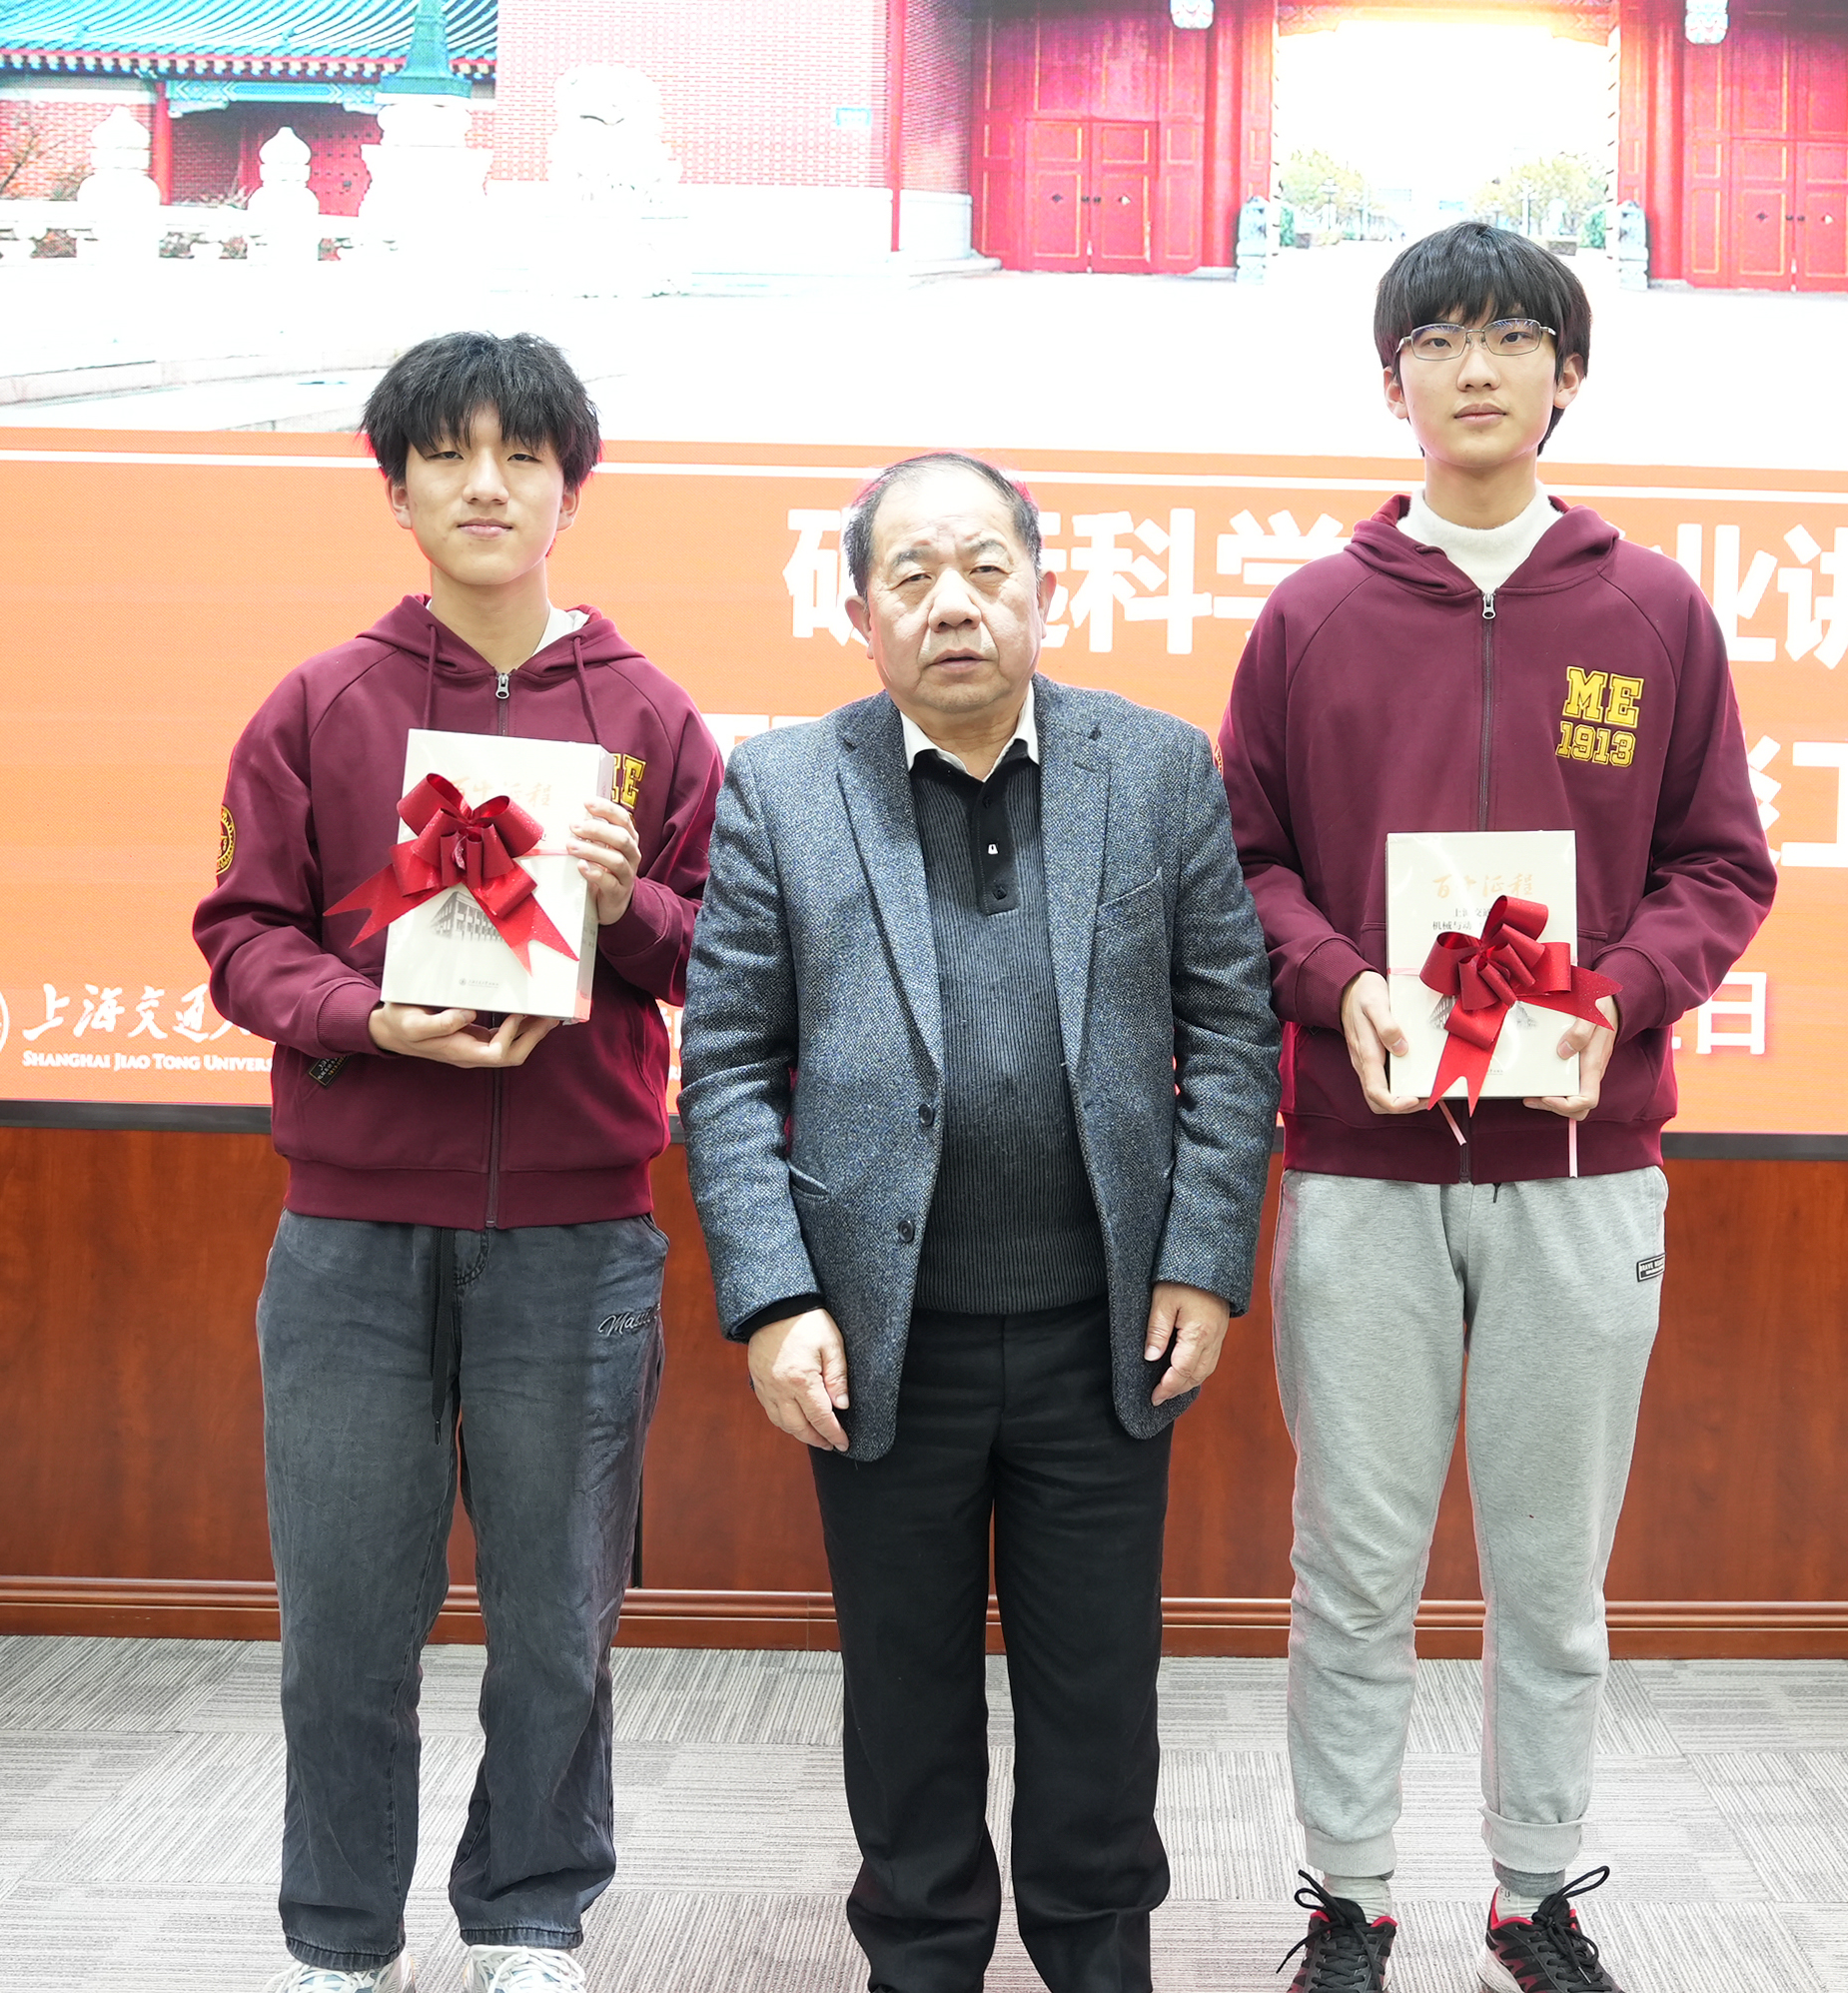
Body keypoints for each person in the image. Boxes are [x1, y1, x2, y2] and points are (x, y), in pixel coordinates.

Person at [1219, 223, 1777, 1993]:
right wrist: (1343, 984)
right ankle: (1348, 1899)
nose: (1475, 366)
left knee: (1550, 1574)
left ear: (1566, 375)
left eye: (1514, 336)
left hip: (1581, 1169)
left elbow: (1719, 865)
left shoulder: (1652, 610)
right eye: (1439, 337)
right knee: (1352, 1566)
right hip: (1364, 1166)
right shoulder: (1309, 618)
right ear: (1390, 380)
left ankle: (1537, 1898)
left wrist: (1614, 996)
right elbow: (1243, 864)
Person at [679, 452, 1282, 1993]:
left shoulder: (1154, 769)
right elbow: (728, 1062)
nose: (952, 604)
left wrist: (1204, 1261)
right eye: (912, 576)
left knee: (1100, 1693)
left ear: (1040, 588)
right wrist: (774, 1298)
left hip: (1104, 1332)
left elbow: (1230, 1029)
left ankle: (1098, 1961)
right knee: (903, 1694)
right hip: (878, 1340)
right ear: (858, 612)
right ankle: (922, 1962)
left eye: (984, 569)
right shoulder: (783, 789)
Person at [194, 330, 723, 1993]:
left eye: (520, 454)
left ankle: (529, 1915)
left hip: (577, 1236)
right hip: (350, 1238)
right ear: (398, 485)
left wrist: (624, 899)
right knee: (345, 1621)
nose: (484, 485)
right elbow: (239, 939)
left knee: (557, 1619)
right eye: (446, 454)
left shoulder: (649, 714)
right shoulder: (320, 704)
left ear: (572, 485)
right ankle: (340, 1937)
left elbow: (725, 952)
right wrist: (367, 1018)